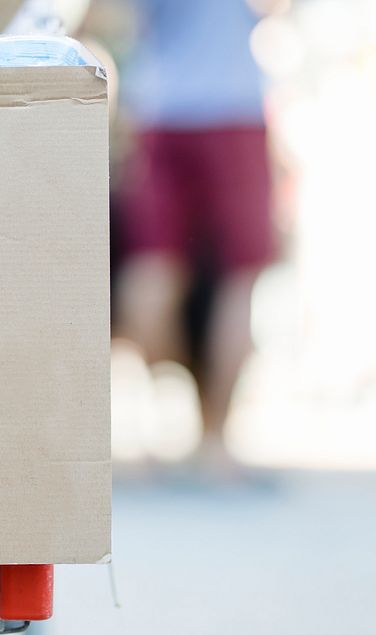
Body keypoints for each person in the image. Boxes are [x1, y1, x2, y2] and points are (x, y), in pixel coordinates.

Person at [109, 0, 275, 470]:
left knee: (151, 273)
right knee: (240, 280)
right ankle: (215, 439)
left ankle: (165, 414)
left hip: (161, 108)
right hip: (235, 108)